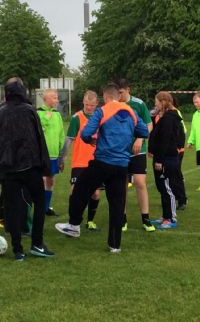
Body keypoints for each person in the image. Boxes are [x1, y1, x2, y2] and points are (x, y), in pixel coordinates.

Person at [55, 83, 149, 253]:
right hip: (122, 165)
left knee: (79, 190)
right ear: (118, 96)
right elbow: (144, 131)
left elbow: (85, 133)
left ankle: (74, 225)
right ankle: (115, 245)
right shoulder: (131, 112)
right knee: (117, 204)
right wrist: (126, 135)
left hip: (103, 161)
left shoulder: (102, 111)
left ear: (105, 97)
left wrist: (92, 140)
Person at [0, 78, 54, 260]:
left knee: (12, 208)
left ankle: (18, 250)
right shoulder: (29, 111)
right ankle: (37, 243)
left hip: (9, 169)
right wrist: (45, 167)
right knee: (39, 202)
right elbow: (40, 140)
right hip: (30, 167)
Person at [57, 90, 102, 232]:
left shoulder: (100, 117)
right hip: (79, 162)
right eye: (87, 104)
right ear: (83, 102)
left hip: (96, 161)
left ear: (96, 104)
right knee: (74, 191)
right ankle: (72, 222)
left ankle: (90, 221)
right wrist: (62, 158)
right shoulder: (77, 118)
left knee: (95, 193)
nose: (89, 107)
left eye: (92, 105)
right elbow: (68, 140)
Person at [116, 79, 155, 232]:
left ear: (128, 90)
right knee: (122, 184)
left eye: (121, 92)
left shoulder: (139, 104)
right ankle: (122, 218)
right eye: (117, 93)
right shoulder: (114, 105)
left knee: (140, 182)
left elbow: (149, 124)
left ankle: (146, 218)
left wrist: (140, 138)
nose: (119, 96)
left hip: (138, 150)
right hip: (120, 151)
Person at [148, 91, 186, 229]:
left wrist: (159, 160)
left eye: (157, 102)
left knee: (167, 188)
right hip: (163, 157)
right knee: (162, 187)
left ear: (163, 102)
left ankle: (171, 218)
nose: (155, 105)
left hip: (167, 159)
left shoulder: (169, 118)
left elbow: (165, 140)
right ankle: (165, 216)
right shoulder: (163, 117)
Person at [38, 88, 65, 216]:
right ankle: (39, 207)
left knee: (51, 180)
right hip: (42, 154)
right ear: (46, 99)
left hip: (55, 154)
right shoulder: (38, 113)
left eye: (57, 97)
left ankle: (46, 207)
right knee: (42, 180)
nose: (57, 100)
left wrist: (61, 153)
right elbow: (39, 130)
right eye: (54, 98)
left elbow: (61, 134)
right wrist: (46, 118)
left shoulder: (57, 114)